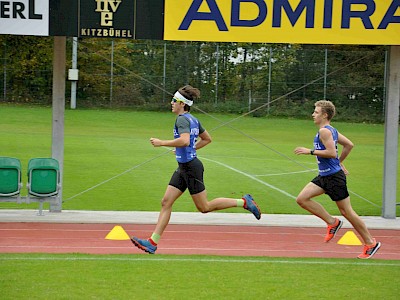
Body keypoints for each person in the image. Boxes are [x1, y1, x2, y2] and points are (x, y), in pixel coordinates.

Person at [131, 85, 261, 254]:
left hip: (191, 168)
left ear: (182, 104)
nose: (171, 103)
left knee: (204, 207)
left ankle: (243, 202)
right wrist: (187, 149)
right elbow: (207, 139)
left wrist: (162, 142)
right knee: (166, 202)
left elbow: (185, 141)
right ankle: (152, 242)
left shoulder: (182, 119)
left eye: (174, 100)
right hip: (183, 167)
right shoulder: (193, 119)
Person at [294, 100, 381, 259]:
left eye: (316, 112)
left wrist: (310, 152)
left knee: (347, 212)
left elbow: (331, 152)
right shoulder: (331, 130)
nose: (313, 114)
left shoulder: (325, 132)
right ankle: (332, 222)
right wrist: (339, 162)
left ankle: (370, 243)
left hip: (334, 178)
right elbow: (349, 145)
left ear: (325, 115)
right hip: (324, 176)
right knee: (302, 199)